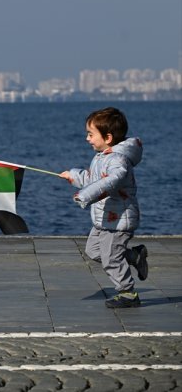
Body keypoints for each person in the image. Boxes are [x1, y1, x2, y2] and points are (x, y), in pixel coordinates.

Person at [60, 107, 147, 309]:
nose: (87, 139)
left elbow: (112, 180)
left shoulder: (118, 160)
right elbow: (93, 179)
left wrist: (85, 195)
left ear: (108, 137)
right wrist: (73, 176)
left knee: (110, 258)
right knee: (93, 251)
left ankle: (128, 293)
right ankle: (133, 256)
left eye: (91, 134)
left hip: (119, 220)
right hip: (104, 218)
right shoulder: (102, 156)